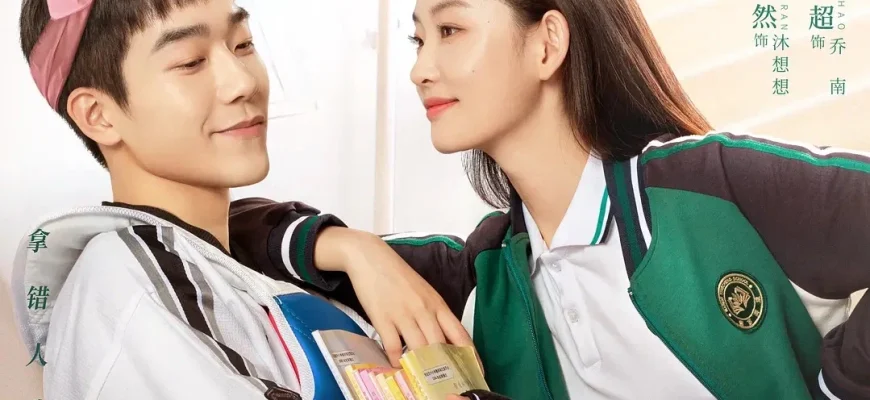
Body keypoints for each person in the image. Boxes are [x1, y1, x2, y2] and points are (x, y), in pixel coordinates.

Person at [229, 0, 870, 399]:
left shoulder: (710, 184)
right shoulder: (483, 274)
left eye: (451, 29)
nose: (420, 69)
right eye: (419, 40)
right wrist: (355, 250)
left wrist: (838, 388)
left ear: (547, 43)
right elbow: (221, 234)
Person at [12, 0, 469, 399]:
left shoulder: (234, 264)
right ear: (98, 115)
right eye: (191, 62)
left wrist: (353, 247)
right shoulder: (126, 285)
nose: (243, 82)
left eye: (243, 44)